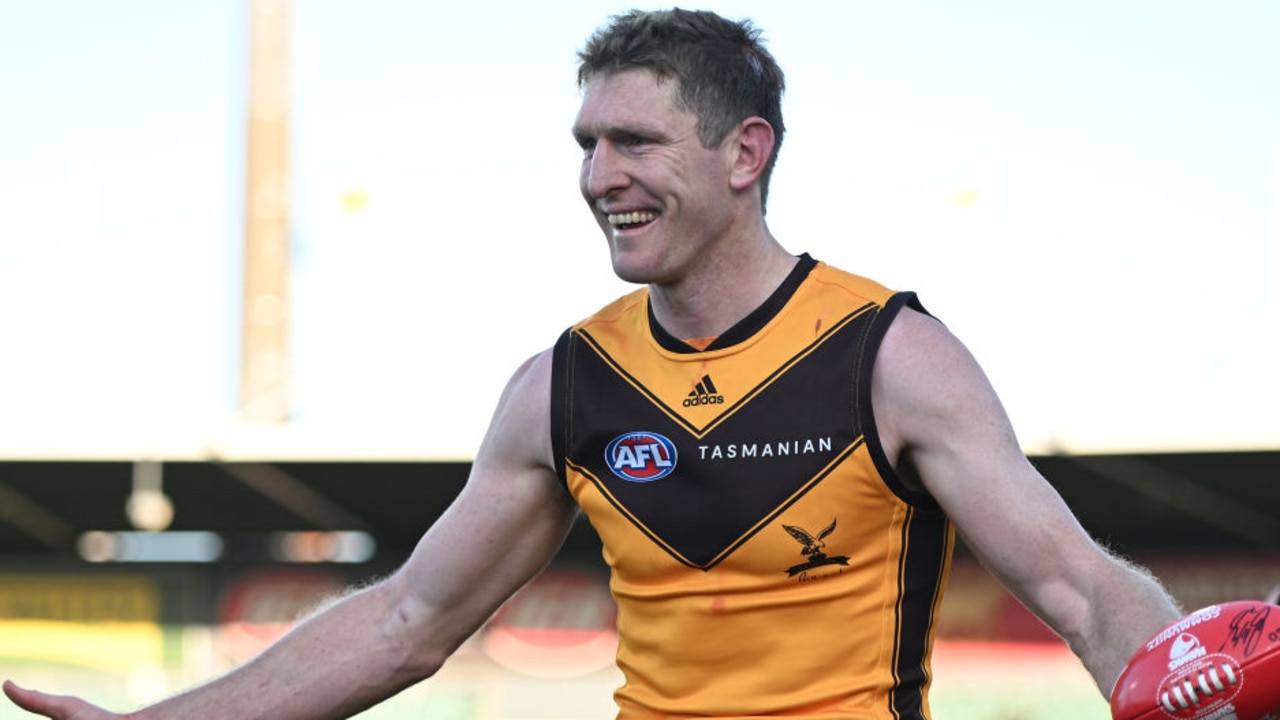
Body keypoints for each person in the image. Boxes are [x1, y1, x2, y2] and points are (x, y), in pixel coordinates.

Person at [4, 8, 1182, 720]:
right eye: (584, 144)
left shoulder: (891, 356)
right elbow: (407, 620)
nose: (595, 175)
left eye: (633, 141)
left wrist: (1184, 678)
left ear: (743, 153)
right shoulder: (560, 386)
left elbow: (1079, 587)